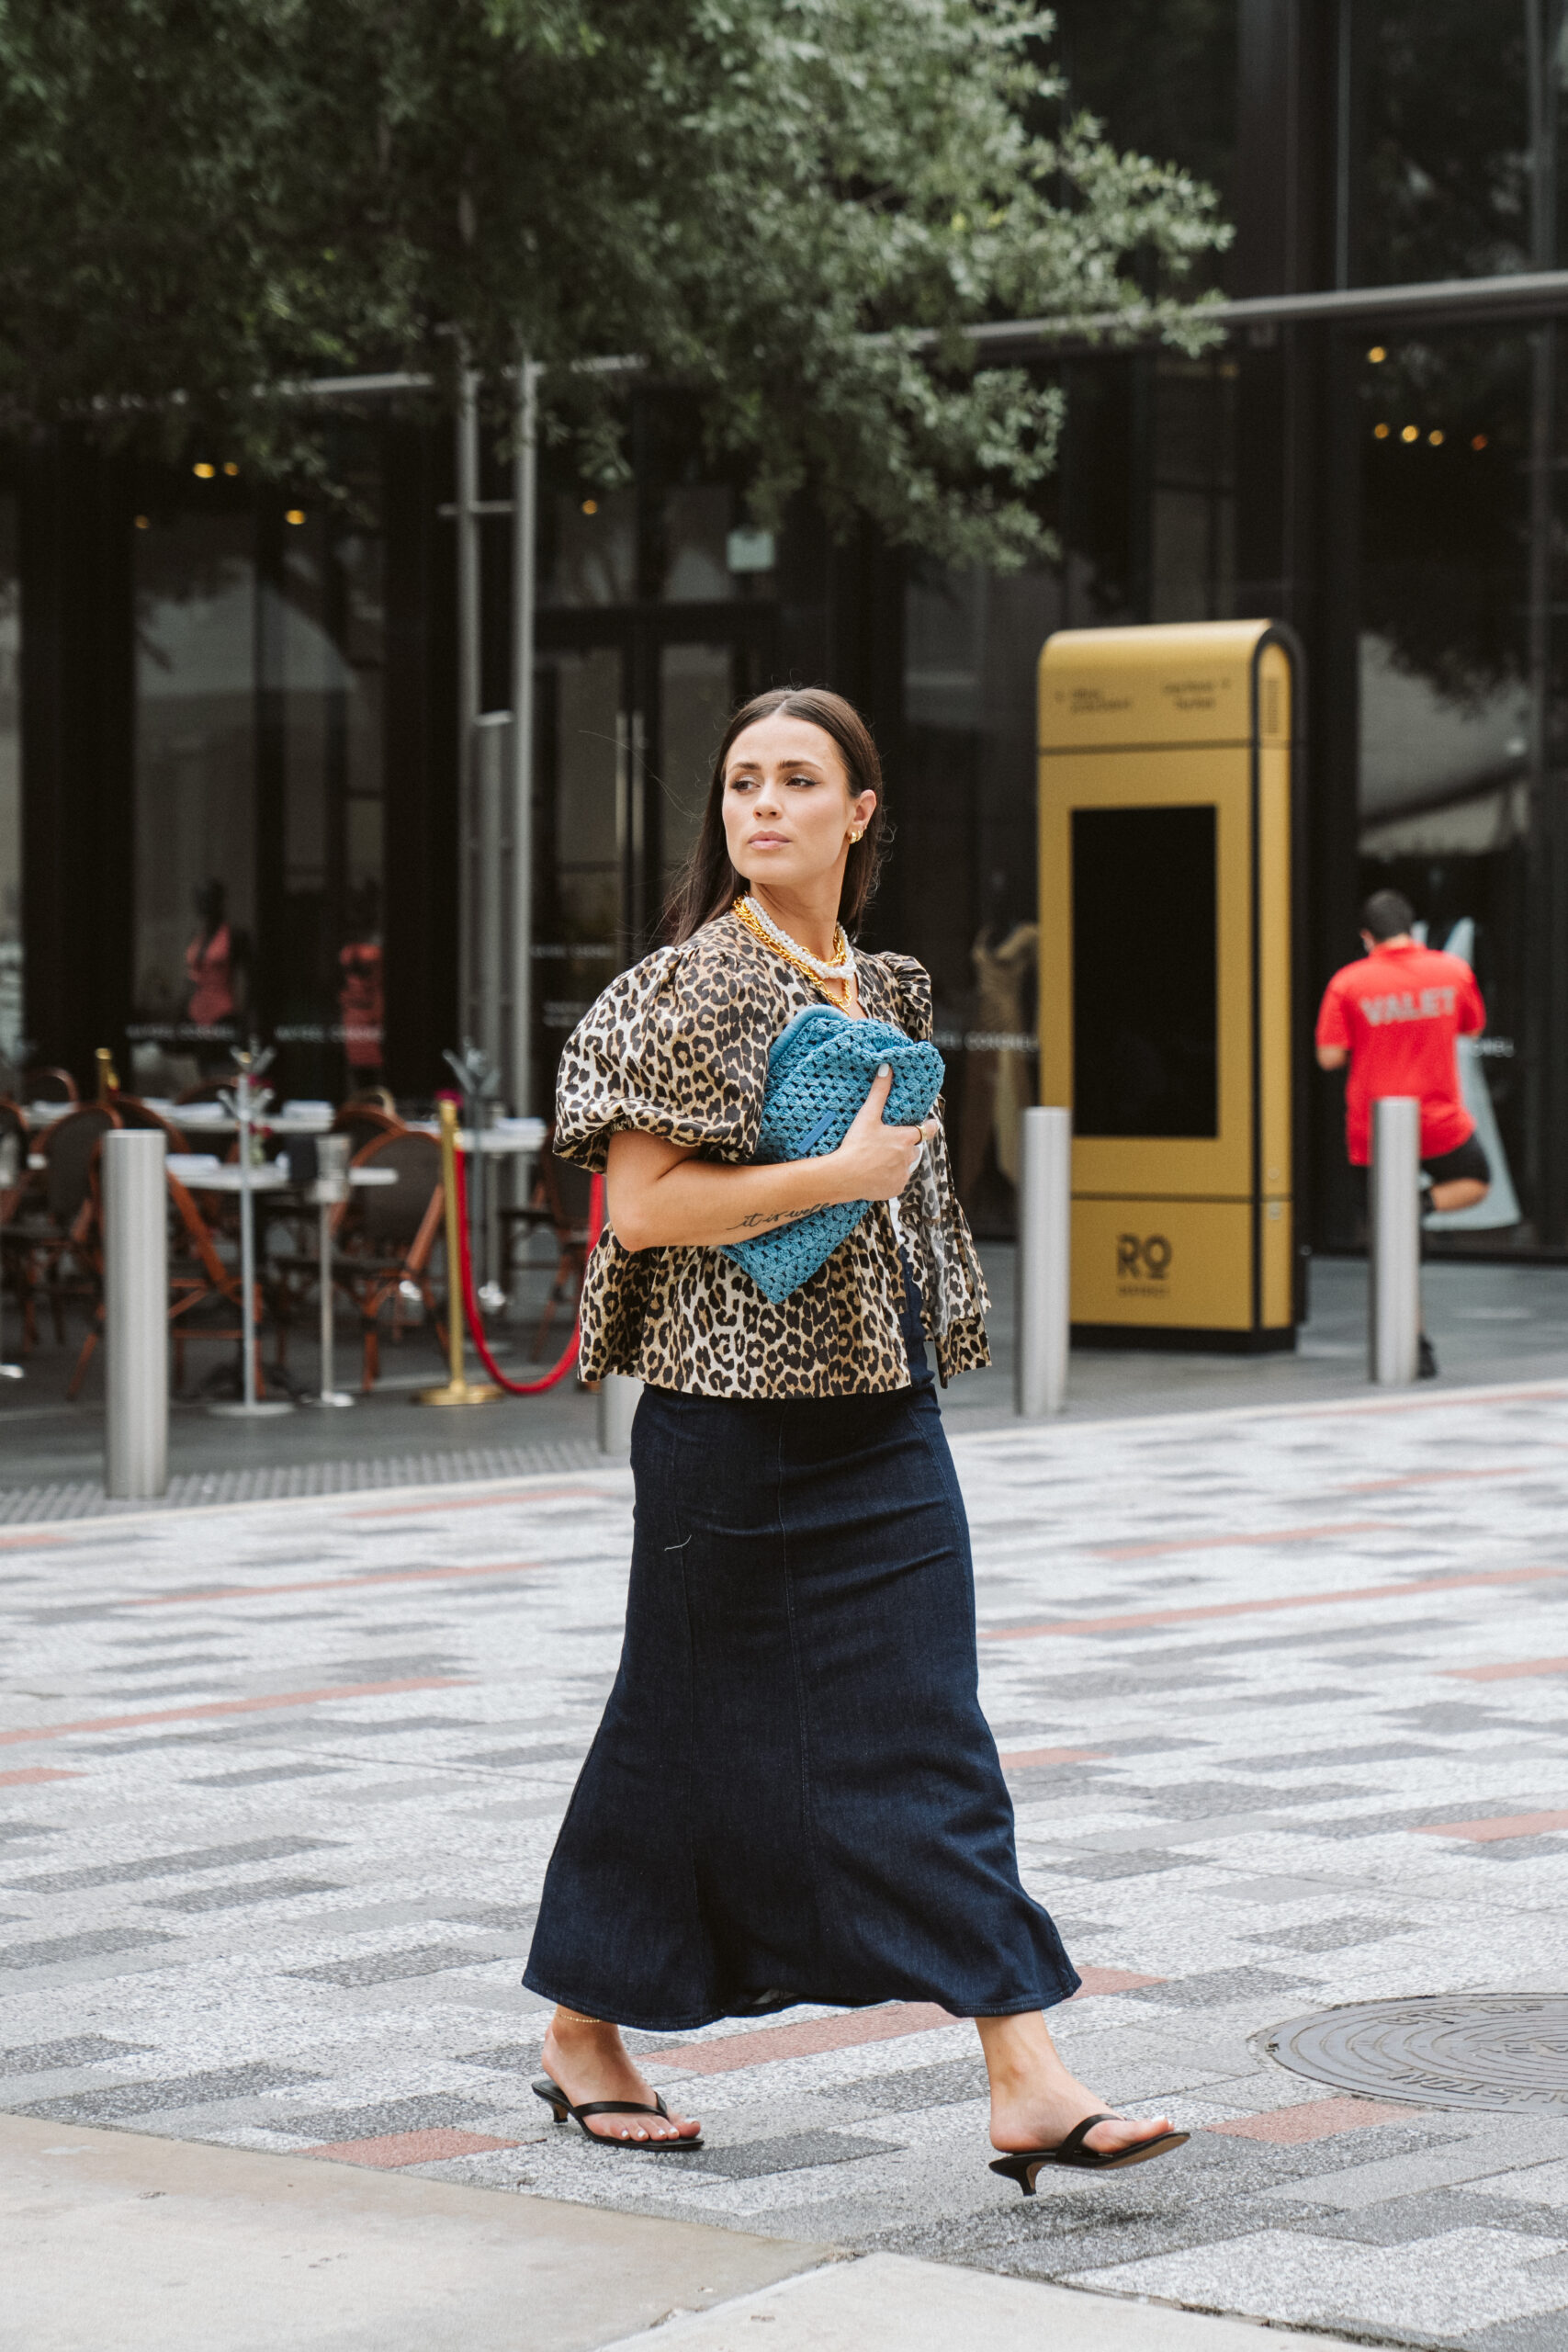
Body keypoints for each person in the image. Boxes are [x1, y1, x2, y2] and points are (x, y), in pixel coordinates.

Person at [521, 686, 1186, 2188]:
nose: (761, 805)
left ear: (857, 811)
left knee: (929, 1729)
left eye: (796, 781)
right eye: (741, 780)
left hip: (883, 1426)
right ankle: (581, 2030)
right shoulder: (688, 989)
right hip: (726, 1427)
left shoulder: (887, 985)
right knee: (682, 1737)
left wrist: (884, 1221)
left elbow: (905, 1200)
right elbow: (644, 1208)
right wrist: (830, 1172)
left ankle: (1022, 2070)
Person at [1315, 888, 1489, 1378]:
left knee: (1393, 1243)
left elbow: (1329, 1056)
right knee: (1476, 1180)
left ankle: (1415, 1341)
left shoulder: (1349, 982)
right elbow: (1472, 1028)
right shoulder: (1451, 971)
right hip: (1438, 1116)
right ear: (1411, 929)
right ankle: (1424, 1206)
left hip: (1373, 1127)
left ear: (1366, 937)